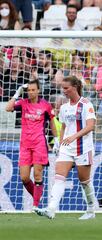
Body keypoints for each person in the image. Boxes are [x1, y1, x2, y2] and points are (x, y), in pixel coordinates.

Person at [35, 76, 97, 220]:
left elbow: (90, 126)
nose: (63, 91)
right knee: (59, 178)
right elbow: (63, 126)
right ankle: (51, 209)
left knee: (85, 181)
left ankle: (91, 210)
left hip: (83, 147)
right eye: (62, 88)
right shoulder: (63, 107)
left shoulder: (86, 104)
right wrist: (60, 142)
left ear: (74, 87)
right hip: (67, 148)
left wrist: (74, 136)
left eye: (66, 88)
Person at [5, 80, 59, 211]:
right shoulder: (23, 103)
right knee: (24, 177)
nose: (30, 92)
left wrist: (56, 139)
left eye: (33, 90)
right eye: (28, 90)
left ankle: (35, 206)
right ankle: (37, 194)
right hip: (25, 145)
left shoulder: (45, 105)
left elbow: (52, 121)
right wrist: (17, 92)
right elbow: (8, 108)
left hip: (39, 144)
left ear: (38, 90)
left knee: (37, 175)